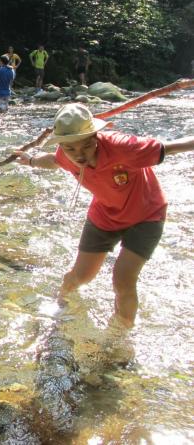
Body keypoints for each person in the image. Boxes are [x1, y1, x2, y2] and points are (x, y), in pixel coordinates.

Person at [15, 103, 194, 328]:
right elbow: (53, 160)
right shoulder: (64, 153)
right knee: (79, 277)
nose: (79, 155)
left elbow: (172, 147)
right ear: (62, 144)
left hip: (146, 215)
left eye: (87, 146)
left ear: (96, 137)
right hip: (104, 216)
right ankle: (59, 307)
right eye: (71, 149)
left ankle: (121, 334)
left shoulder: (125, 148)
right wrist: (30, 160)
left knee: (123, 279)